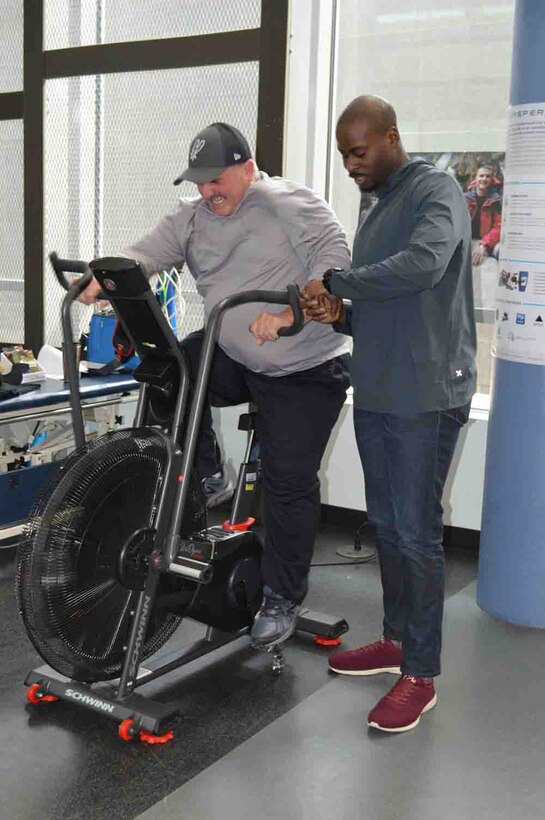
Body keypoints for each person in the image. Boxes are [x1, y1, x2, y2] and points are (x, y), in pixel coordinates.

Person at [77, 121, 351, 648]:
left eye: (217, 179)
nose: (208, 192)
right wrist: (100, 278)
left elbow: (333, 261)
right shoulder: (193, 217)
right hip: (235, 355)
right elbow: (145, 256)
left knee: (287, 482)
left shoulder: (288, 203)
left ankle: (282, 596)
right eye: (199, 182)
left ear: (248, 168)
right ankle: (209, 476)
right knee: (167, 372)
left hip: (304, 370)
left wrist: (293, 312)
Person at [301, 96, 477, 733]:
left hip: (426, 395)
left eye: (359, 151)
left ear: (391, 137)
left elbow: (425, 266)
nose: (350, 164)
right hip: (377, 389)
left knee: (416, 535)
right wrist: (339, 313)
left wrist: (338, 283)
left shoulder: (437, 191)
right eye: (343, 154)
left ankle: (420, 674)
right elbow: (384, 296)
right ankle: (397, 639)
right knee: (387, 525)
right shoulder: (376, 203)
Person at [464, 165, 502, 266]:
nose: (484, 179)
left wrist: (483, 245)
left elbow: (499, 226)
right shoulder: (465, 199)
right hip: (468, 241)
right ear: (475, 179)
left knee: (502, 251)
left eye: (487, 176)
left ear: (492, 180)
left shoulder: (497, 201)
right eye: (481, 176)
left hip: (489, 243)